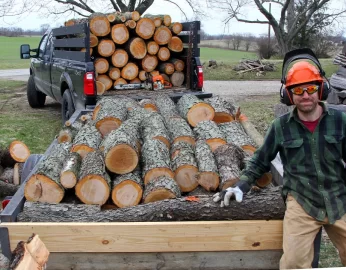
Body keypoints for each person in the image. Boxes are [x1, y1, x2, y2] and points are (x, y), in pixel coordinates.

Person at [213, 57, 346, 269]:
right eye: (298, 90)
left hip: (339, 199)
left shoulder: (340, 121)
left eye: (310, 88)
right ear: (288, 95)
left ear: (321, 89)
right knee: (293, 264)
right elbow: (260, 160)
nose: (305, 95)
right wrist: (241, 185)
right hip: (302, 202)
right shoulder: (280, 127)